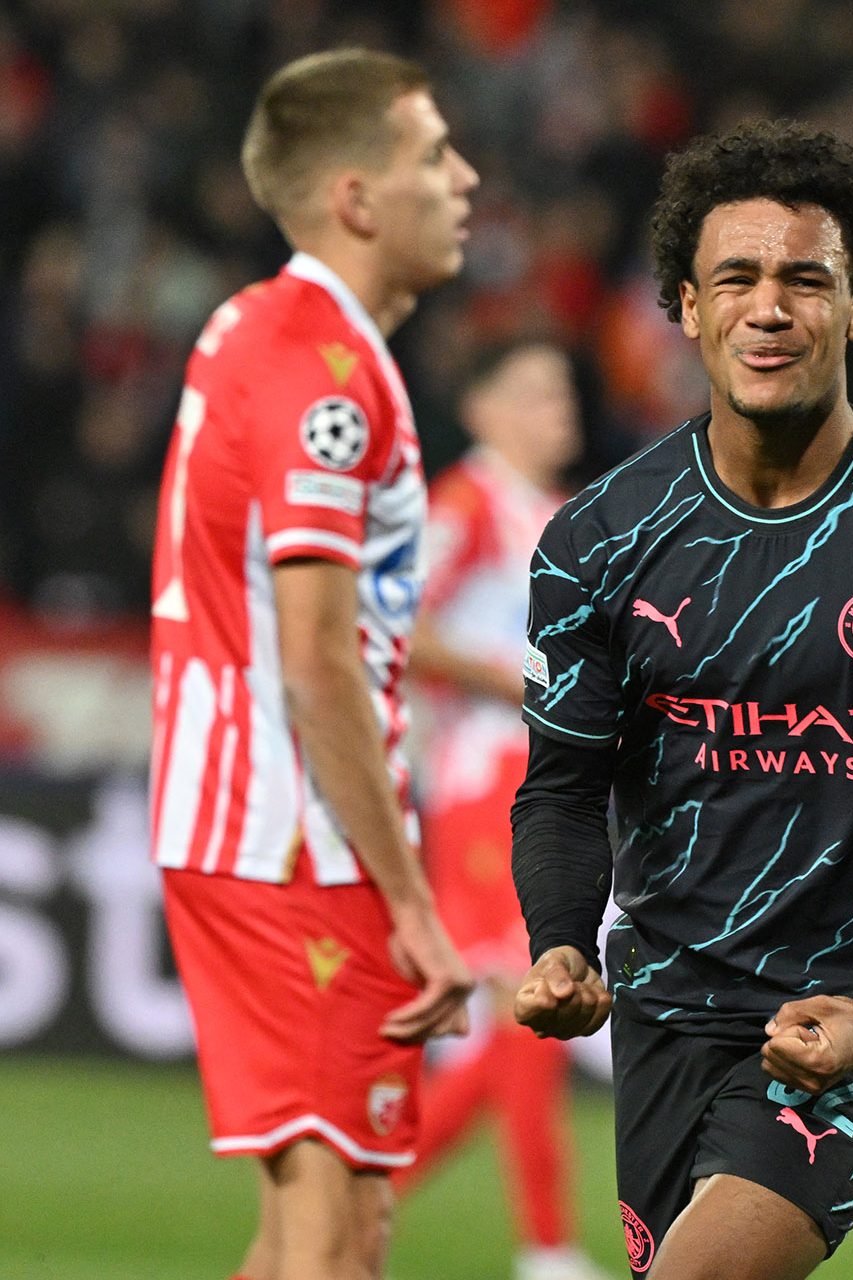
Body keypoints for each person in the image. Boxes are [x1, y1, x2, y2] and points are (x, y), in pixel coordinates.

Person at [507, 119, 853, 1279]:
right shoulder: (599, 541)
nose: (771, 307)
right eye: (738, 279)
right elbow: (562, 782)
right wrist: (559, 940)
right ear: (686, 305)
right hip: (667, 993)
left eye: (806, 279)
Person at [149, 48, 478, 1280]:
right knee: (335, 1247)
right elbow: (316, 662)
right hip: (294, 838)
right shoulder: (322, 373)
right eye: (435, 155)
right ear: (356, 197)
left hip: (257, 820)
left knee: (326, 1232)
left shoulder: (264, 328)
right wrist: (410, 899)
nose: (467, 178)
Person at [400, 339, 610, 1280]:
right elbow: (404, 629)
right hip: (485, 779)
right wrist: (526, 683)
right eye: (532, 391)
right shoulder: (467, 501)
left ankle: (364, 1190)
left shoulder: (560, 515)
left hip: (546, 790)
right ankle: (546, 1247)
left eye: (562, 388)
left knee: (528, 1014)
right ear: (481, 411)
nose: (556, 406)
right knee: (536, 1001)